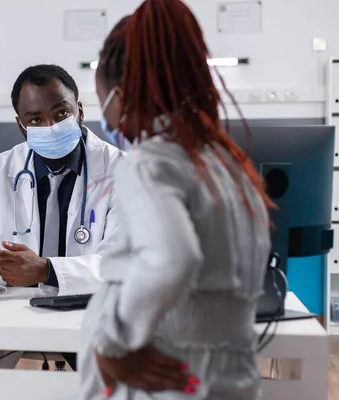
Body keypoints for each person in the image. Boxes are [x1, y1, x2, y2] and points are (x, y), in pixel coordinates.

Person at [80, 1, 274, 399]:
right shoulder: (229, 166)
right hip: (225, 379)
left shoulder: (150, 163)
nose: (109, 119)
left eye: (103, 101)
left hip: (164, 381)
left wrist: (113, 342)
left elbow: (172, 260)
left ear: (121, 95)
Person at [0, 64, 123, 369]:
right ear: (21, 125)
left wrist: (47, 271)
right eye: (35, 119)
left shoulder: (121, 171)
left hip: (91, 313)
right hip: (14, 314)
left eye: (61, 114)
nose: (51, 125)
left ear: (79, 110)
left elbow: (122, 264)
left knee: (103, 376)